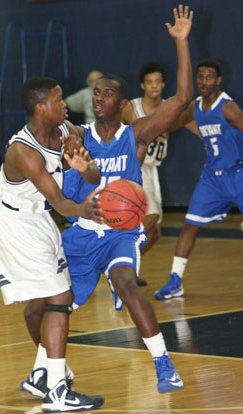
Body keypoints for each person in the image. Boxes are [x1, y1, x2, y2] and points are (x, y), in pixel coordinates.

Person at [59, 4, 192, 394]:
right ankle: (48, 372)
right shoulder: (77, 137)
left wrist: (181, 43)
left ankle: (165, 366)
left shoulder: (136, 135)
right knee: (51, 304)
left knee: (127, 283)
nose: (99, 98)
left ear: (123, 103)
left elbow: (183, 96)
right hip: (83, 231)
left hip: (121, 232)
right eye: (97, 93)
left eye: (108, 93)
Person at [0, 77, 105, 412]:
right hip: (13, 222)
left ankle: (42, 375)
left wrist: (84, 164)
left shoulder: (68, 130)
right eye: (58, 98)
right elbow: (59, 201)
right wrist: (88, 211)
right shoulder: (22, 151)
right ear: (41, 108)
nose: (65, 103)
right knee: (60, 296)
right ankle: (56, 390)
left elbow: (92, 174)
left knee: (44, 303)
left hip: (38, 220)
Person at [154, 58, 243, 300]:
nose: (204, 82)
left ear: (219, 80)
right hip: (212, 179)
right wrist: (154, 123)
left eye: (209, 78)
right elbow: (175, 123)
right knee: (189, 226)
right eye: (200, 77)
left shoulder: (228, 108)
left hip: (238, 173)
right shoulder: (195, 107)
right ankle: (175, 281)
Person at [121, 62, 168, 287]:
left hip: (151, 169)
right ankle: (120, 266)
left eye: (157, 81)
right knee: (150, 217)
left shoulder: (169, 107)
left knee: (155, 231)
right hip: (134, 167)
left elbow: (188, 122)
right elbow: (113, 130)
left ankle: (128, 268)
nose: (154, 86)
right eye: (149, 82)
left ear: (163, 84)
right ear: (142, 86)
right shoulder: (132, 108)